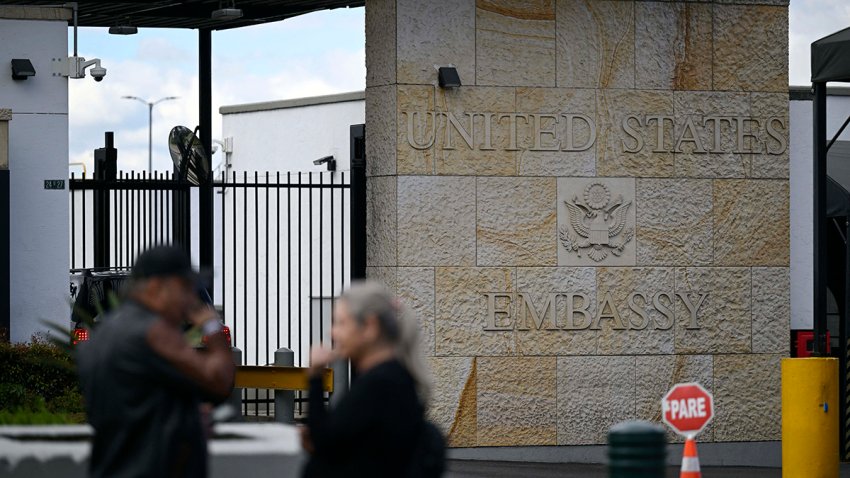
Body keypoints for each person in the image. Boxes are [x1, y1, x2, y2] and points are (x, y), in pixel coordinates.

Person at [76, 246, 235, 478]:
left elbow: (135, 402)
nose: (192, 299)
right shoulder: (153, 331)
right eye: (185, 288)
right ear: (155, 287)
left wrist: (185, 416)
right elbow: (219, 380)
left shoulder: (105, 333)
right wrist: (212, 326)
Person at [301, 280, 444, 478]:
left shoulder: (379, 384)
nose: (331, 332)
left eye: (341, 323)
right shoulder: (389, 377)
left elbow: (324, 443)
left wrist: (315, 377)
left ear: (369, 326)